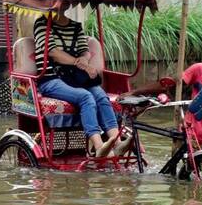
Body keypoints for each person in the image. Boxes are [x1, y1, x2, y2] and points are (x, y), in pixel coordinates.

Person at [33, 8, 130, 157]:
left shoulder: (76, 26)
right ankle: (99, 147)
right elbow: (53, 52)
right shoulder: (42, 23)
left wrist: (84, 59)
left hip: (74, 77)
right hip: (51, 78)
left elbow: (84, 50)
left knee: (100, 95)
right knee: (85, 96)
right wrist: (79, 63)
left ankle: (116, 142)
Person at [125, 35, 202, 149]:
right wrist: (135, 92)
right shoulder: (200, 69)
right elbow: (169, 85)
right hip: (188, 133)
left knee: (200, 173)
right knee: (182, 172)